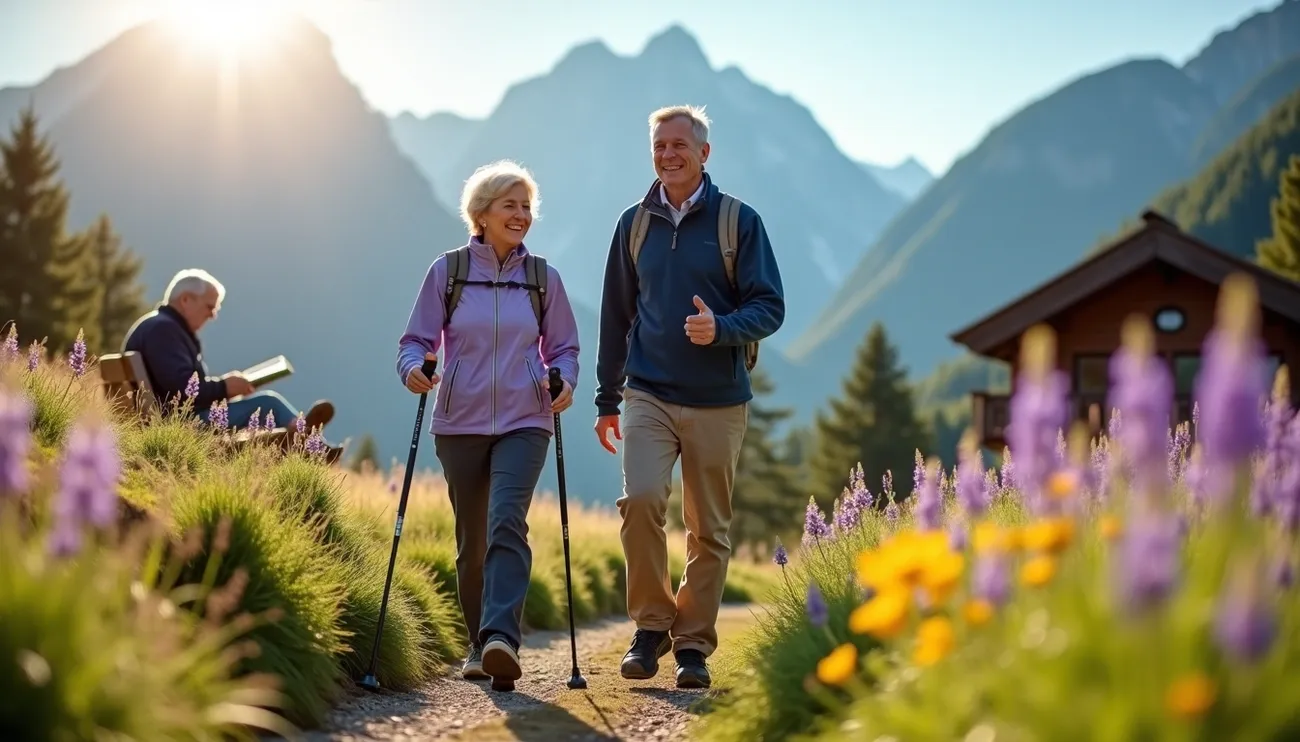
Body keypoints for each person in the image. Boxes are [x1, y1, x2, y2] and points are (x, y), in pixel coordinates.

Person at [593, 105, 785, 689]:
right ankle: (650, 628)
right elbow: (615, 314)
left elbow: (769, 306)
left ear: (705, 152)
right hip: (647, 392)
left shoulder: (738, 222)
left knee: (708, 530)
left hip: (719, 399)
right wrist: (606, 399)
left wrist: (721, 328)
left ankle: (694, 646)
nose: (669, 154)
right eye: (659, 146)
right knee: (643, 501)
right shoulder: (634, 223)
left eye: (680, 144)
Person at [395, 159, 581, 689]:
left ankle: (502, 638)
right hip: (459, 422)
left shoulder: (543, 279)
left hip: (527, 418)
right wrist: (413, 369)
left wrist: (562, 379)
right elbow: (416, 341)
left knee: (506, 521)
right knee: (471, 540)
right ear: (482, 213)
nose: (522, 215)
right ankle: (480, 644)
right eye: (511, 205)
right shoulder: (448, 272)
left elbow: (564, 347)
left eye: (527, 207)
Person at [122, 268, 336, 439]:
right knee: (268, 403)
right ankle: (306, 437)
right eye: (209, 307)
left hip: (171, 418)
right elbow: (182, 389)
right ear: (186, 300)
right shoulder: (164, 330)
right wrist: (225, 387)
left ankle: (303, 436)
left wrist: (228, 389)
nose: (213, 315)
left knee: (267, 405)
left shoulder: (158, 327)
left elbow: (178, 385)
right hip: (179, 425)